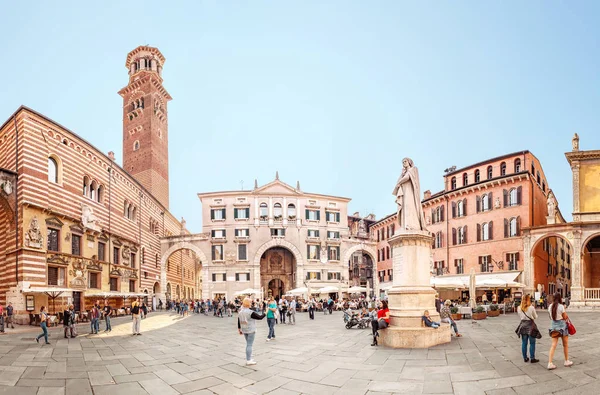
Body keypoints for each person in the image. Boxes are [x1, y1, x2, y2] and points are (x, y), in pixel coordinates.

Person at [547, 292, 573, 370]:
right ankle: (566, 361)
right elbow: (565, 317)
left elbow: (550, 317)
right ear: (560, 298)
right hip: (562, 326)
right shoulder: (561, 306)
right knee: (565, 344)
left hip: (554, 326)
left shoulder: (550, 306)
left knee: (553, 345)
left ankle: (550, 363)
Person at [238, 298, 266, 365]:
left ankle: (249, 357)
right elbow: (260, 317)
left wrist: (239, 328)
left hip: (244, 329)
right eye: (250, 302)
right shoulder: (250, 312)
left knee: (248, 344)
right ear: (248, 303)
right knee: (249, 345)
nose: (251, 303)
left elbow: (239, 320)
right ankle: (249, 360)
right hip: (250, 330)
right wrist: (265, 313)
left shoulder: (240, 312)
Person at [517, 295, 539, 363]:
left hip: (523, 325)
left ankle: (525, 358)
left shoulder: (519, 308)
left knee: (524, 343)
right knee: (532, 342)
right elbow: (535, 317)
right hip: (530, 326)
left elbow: (520, 316)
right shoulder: (531, 307)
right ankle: (532, 358)